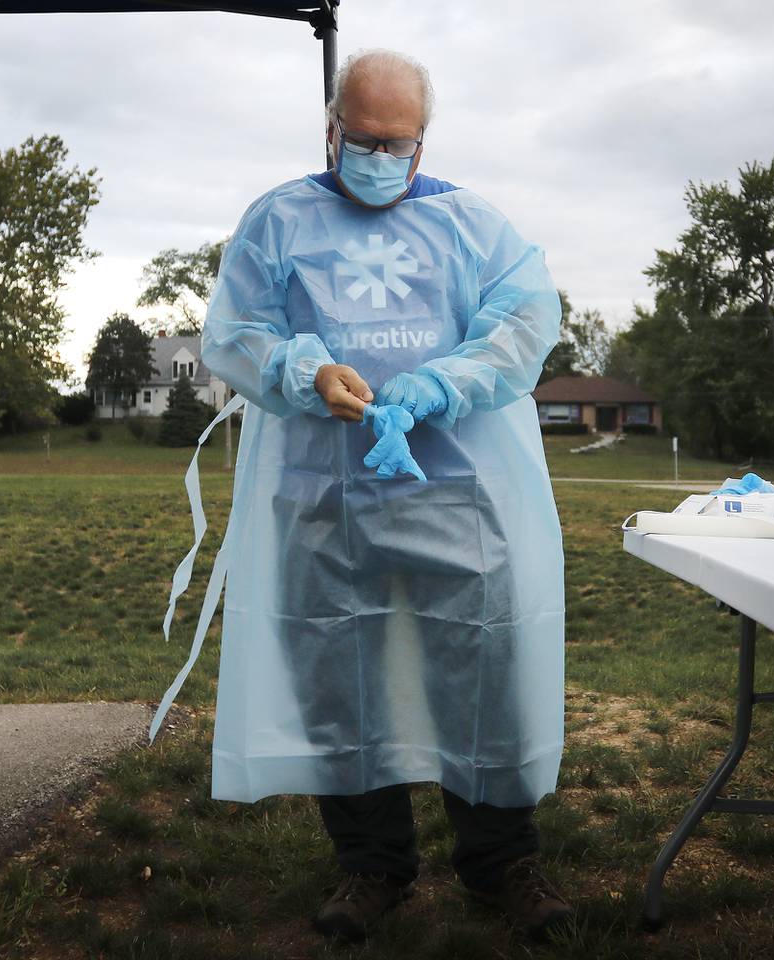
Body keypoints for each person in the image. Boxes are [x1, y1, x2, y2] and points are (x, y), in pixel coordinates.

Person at [185, 48, 571, 942]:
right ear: (332, 128)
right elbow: (235, 331)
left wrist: (447, 382)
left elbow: (524, 320)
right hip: (323, 496)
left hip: (455, 491)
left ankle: (504, 860)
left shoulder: (472, 225)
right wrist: (305, 367)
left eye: (397, 143)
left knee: (482, 672)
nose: (378, 157)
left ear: (423, 139)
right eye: (362, 139)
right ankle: (371, 866)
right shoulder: (278, 220)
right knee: (339, 679)